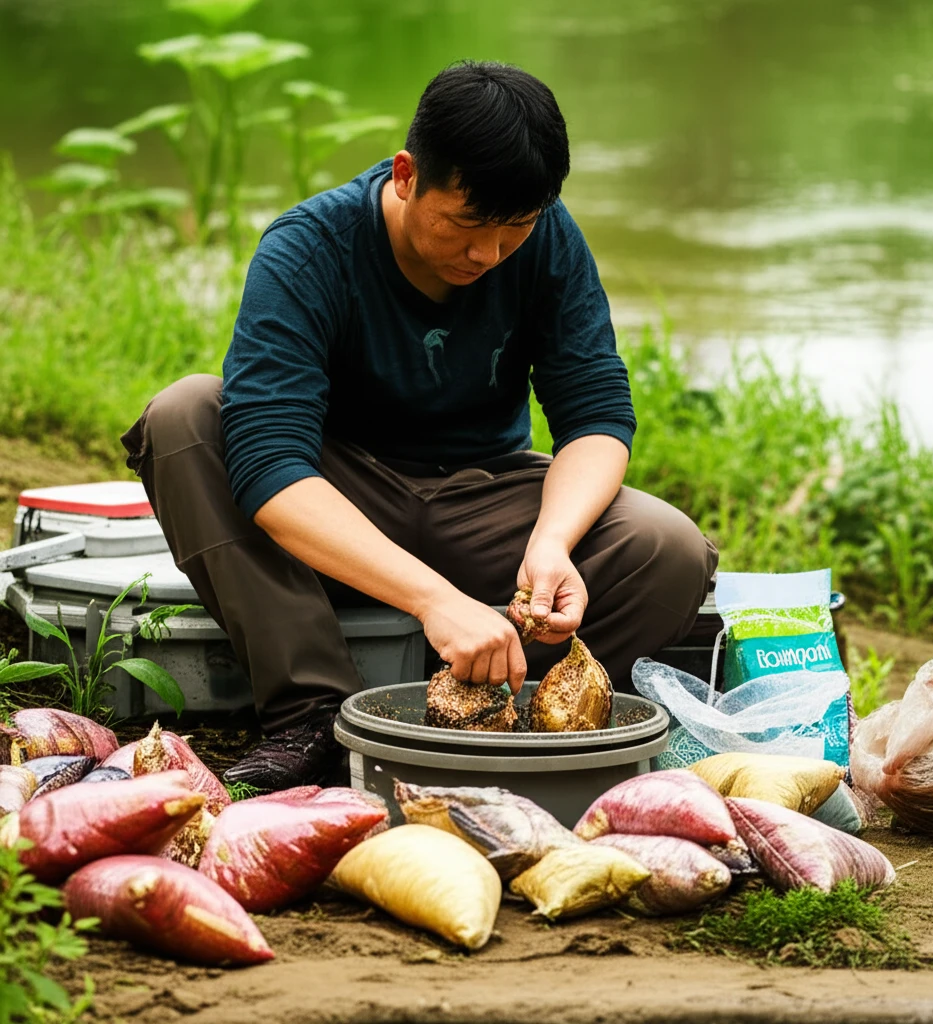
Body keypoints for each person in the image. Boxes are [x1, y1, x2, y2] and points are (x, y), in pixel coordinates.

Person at [121, 60, 718, 790]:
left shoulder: (551, 240)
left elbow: (594, 415)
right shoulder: (309, 248)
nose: (487, 255)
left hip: (482, 494)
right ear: (407, 175)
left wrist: (552, 545)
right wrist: (434, 601)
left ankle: (504, 711)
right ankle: (315, 715)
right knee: (184, 416)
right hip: (339, 495)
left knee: (669, 546)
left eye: (514, 231)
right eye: (466, 225)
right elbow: (271, 463)